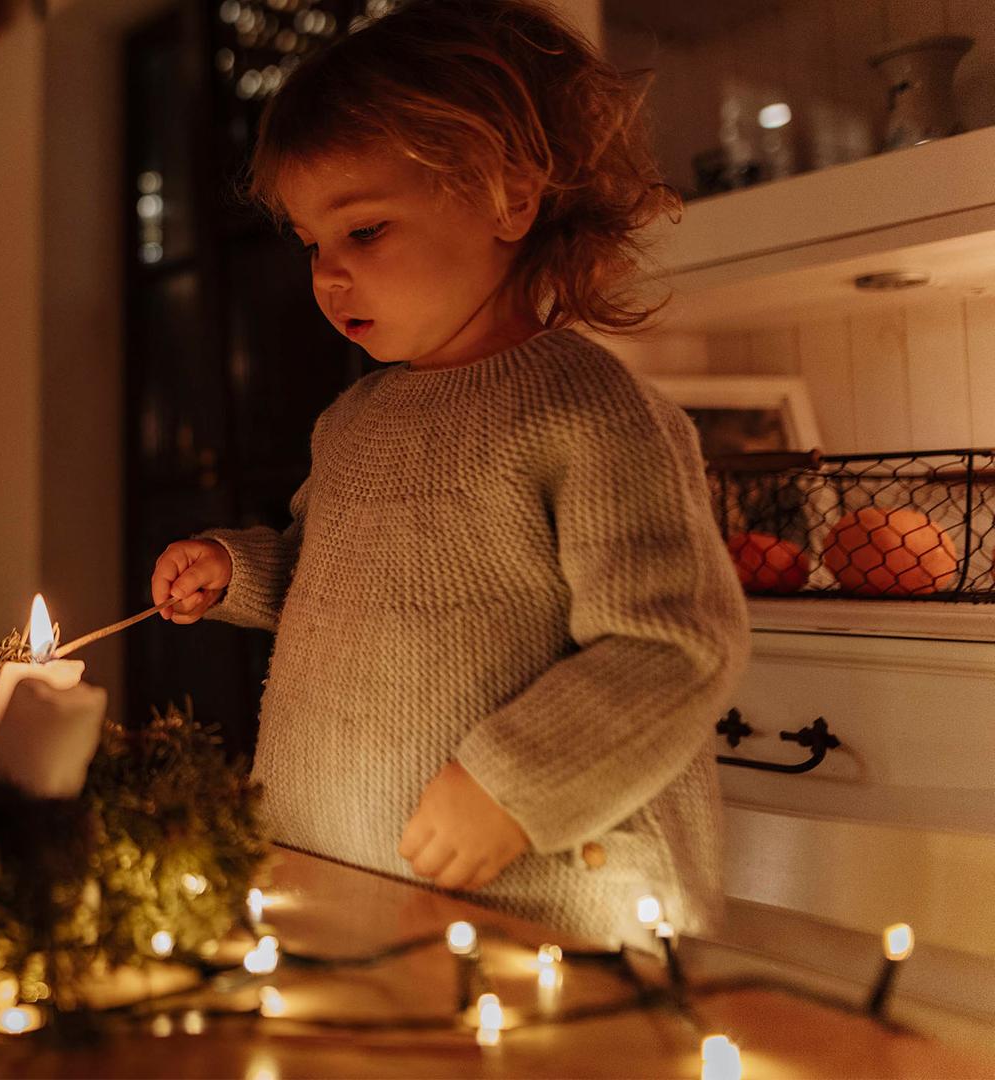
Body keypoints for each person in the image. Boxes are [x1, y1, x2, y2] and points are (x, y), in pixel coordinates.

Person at [149, 0, 749, 943]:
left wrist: (517, 785)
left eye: (366, 231)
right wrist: (238, 570)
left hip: (540, 916)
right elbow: (331, 572)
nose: (327, 276)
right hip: (337, 891)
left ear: (509, 197)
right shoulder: (352, 422)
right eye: (312, 244)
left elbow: (675, 648)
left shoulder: (590, 414)